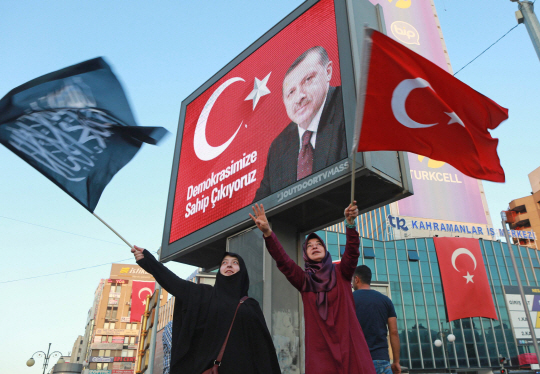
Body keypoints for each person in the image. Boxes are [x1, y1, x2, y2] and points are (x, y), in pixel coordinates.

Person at [249, 201, 376, 374]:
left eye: (318, 244)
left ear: (325, 250)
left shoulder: (342, 272)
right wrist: (268, 233)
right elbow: (283, 261)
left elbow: (352, 252)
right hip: (321, 354)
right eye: (309, 245)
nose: (314, 246)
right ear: (305, 254)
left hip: (351, 348)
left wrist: (350, 224)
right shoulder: (304, 281)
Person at [131, 246, 281, 374]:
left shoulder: (250, 306)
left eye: (235, 263)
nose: (229, 265)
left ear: (242, 271)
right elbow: (174, 283)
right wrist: (148, 261)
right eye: (224, 263)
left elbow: (263, 351)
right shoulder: (204, 295)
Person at [253, 46, 347, 202]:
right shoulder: (278, 147)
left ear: (328, 72)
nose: (299, 97)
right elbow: (258, 210)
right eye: (291, 92)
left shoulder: (349, 103)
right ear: (284, 102)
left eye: (308, 79)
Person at [352, 265, 401, 374]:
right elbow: (394, 332)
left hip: (357, 360)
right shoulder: (386, 300)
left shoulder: (349, 299)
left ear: (356, 279)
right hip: (381, 360)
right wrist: (396, 362)